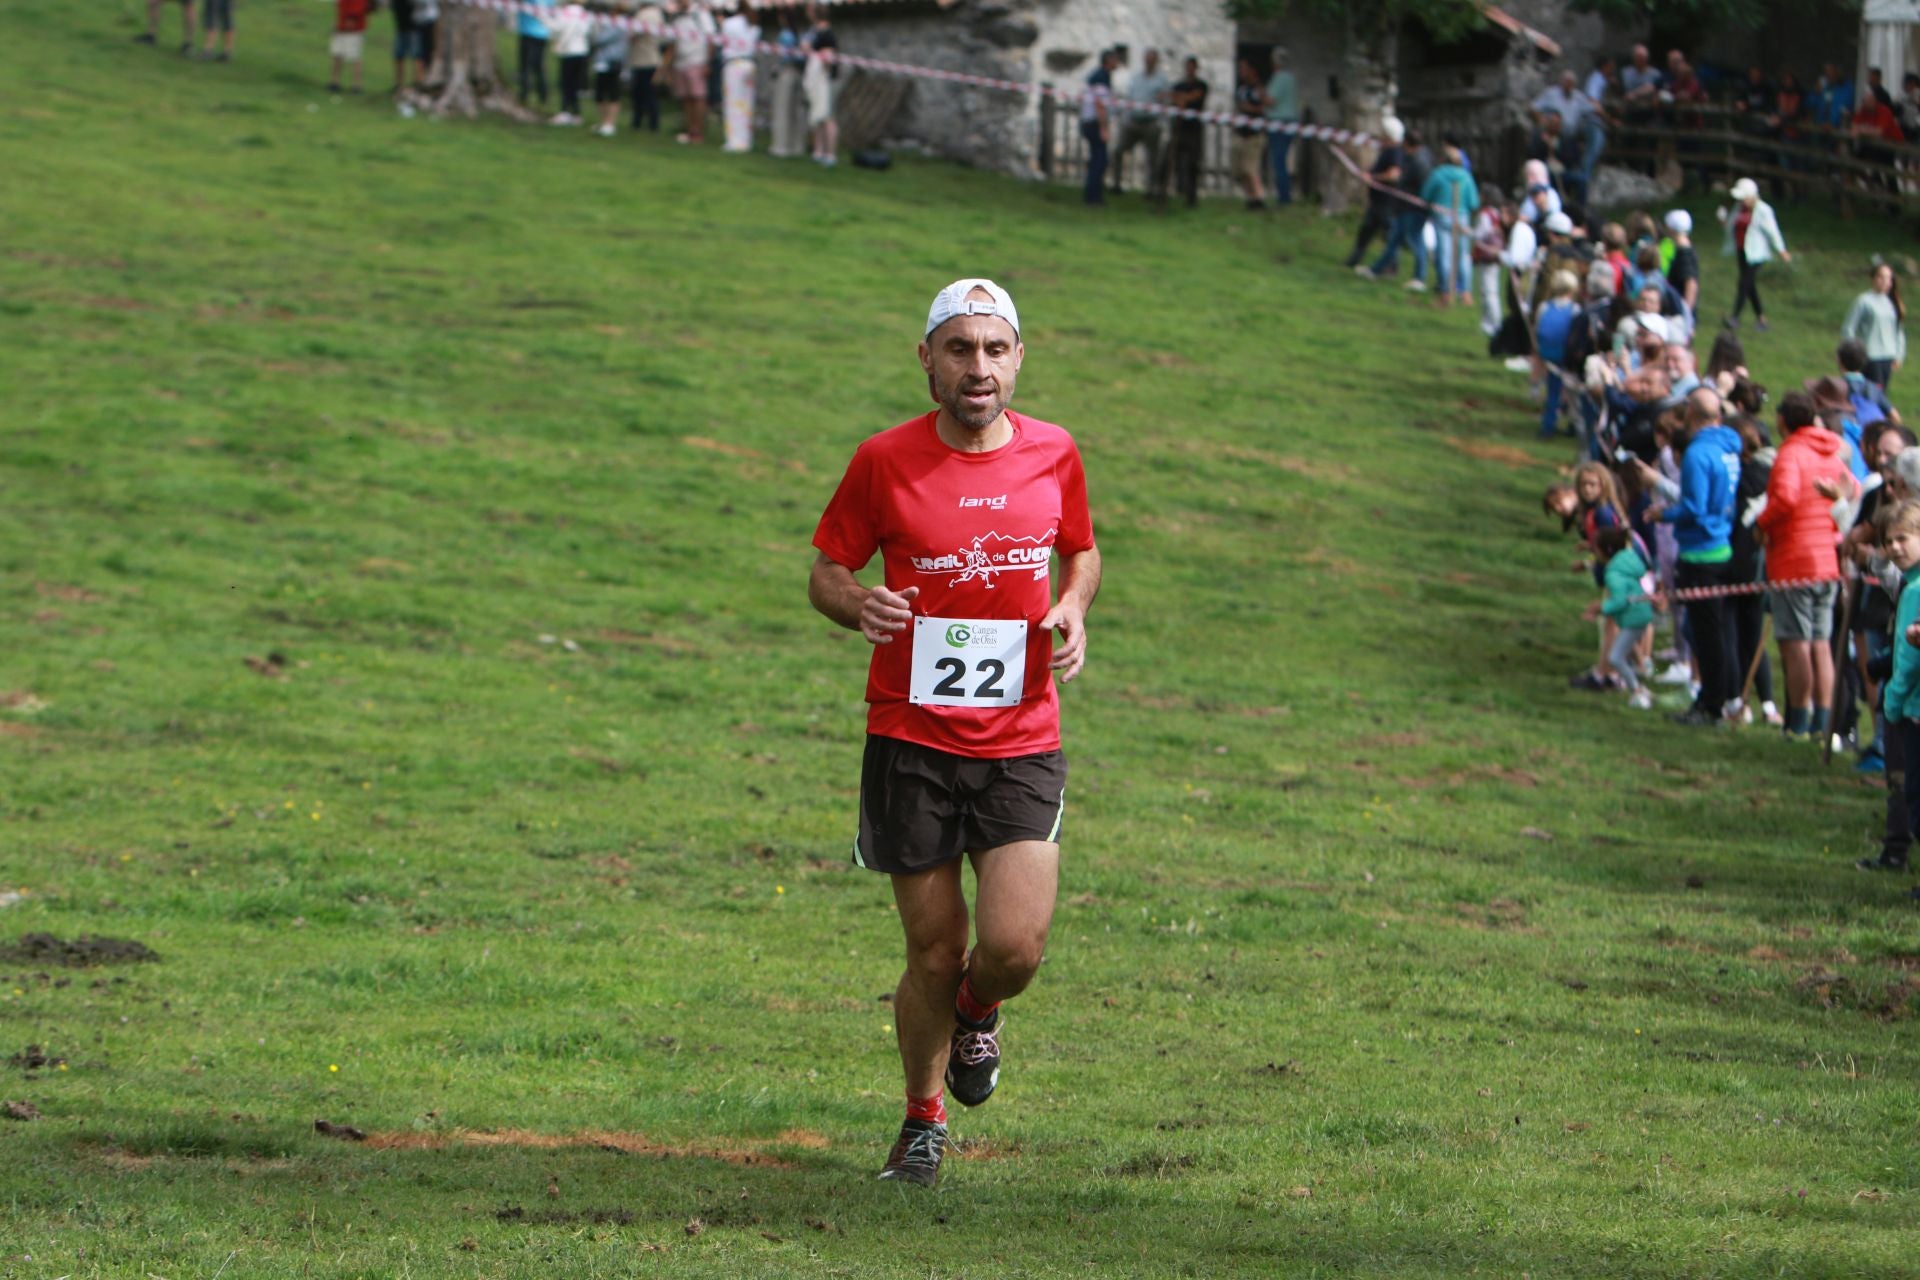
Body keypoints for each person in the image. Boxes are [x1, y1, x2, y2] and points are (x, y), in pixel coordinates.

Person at [807, 279, 1101, 1187]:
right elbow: (825, 569)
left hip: (1020, 735)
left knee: (1012, 948)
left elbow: (1081, 550)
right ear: (928, 359)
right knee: (931, 950)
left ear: (1019, 358)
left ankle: (979, 1010)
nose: (979, 367)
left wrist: (1074, 607)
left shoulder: (1055, 453)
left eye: (995, 348)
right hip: (912, 739)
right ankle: (923, 1122)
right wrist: (860, 604)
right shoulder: (883, 460)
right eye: (961, 348)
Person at [1758, 390, 1857, 742]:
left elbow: (1785, 496)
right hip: (1826, 560)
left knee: (1796, 642)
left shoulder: (1791, 453)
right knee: (1820, 642)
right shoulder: (1829, 450)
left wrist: (1762, 523)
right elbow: (1852, 488)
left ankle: (1799, 722)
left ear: (1782, 419)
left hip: (1794, 559)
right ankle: (1823, 722)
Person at [1652, 388, 1743, 726]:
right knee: (1711, 632)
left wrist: (1663, 515)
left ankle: (1711, 704)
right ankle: (1715, 699)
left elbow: (1694, 506)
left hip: (1700, 551)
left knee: (1706, 634)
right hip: (1722, 545)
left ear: (1691, 414)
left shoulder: (1697, 453)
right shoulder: (1728, 449)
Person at [1587, 525, 1658, 709]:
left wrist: (1601, 608)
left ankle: (1637, 690)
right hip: (1642, 613)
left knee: (1616, 658)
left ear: (1605, 551)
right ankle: (1643, 669)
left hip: (1633, 617)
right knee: (1626, 647)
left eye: (1596, 548)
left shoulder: (1613, 573)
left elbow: (1619, 601)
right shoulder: (1629, 561)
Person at [1719, 177, 1788, 332]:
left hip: (1756, 254)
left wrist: (1781, 250)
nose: (1742, 201)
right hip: (1742, 250)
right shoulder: (1738, 208)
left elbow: (1773, 231)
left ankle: (1734, 317)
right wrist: (1723, 221)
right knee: (1749, 286)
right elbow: (1731, 225)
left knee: (1744, 283)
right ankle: (1762, 319)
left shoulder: (1764, 211)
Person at [1362, 125, 1428, 287]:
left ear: (1406, 143)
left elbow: (1418, 186)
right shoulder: (1412, 158)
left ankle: (1419, 278)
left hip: (1412, 209)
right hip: (1403, 208)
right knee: (1394, 240)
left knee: (1415, 241)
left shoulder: (1418, 162)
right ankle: (1376, 270)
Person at [1422, 141, 1479, 309]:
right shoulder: (1466, 177)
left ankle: (1446, 290)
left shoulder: (1438, 174)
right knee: (1463, 256)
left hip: (1441, 217)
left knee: (1444, 255)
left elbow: (1426, 195)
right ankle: (1466, 292)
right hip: (1461, 219)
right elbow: (1474, 202)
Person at [1345, 117, 1405, 271]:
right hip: (1378, 201)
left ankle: (1391, 265)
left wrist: (1373, 178)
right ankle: (1354, 259)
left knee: (1389, 233)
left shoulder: (1395, 152)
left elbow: (1394, 174)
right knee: (1367, 230)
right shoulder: (1387, 150)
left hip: (1386, 202)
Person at [1111, 49, 1169, 199]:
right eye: (1146, 59)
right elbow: (1130, 97)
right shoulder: (1136, 78)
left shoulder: (1162, 80)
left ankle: (1151, 190)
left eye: (1151, 60)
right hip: (1134, 122)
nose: (1148, 62)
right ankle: (1116, 184)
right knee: (1118, 151)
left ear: (1155, 61)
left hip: (1151, 123)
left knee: (1153, 158)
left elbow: (1166, 100)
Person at [1843, 262, 1908, 390]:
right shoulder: (1864, 301)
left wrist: (1899, 354)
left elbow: (1898, 331)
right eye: (1881, 277)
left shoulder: (1892, 303)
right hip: (1871, 356)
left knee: (1882, 394)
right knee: (1873, 393)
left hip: (1888, 356)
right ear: (1873, 279)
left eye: (1888, 278)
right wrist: (1853, 352)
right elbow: (1848, 328)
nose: (1885, 281)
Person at [663, 0, 718, 144]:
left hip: (697, 61)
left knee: (698, 97)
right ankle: (689, 130)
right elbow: (673, 42)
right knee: (686, 98)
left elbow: (711, 39)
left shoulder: (701, 15)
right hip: (681, 62)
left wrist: (708, 63)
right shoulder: (678, 17)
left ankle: (698, 132)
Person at [1167, 58, 1208, 210]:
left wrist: (1183, 98)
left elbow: (1195, 97)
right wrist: (1181, 98)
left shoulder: (1201, 85)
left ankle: (1192, 197)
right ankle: (1176, 188)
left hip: (1194, 130)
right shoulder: (1179, 85)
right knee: (1173, 159)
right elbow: (1172, 98)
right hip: (1179, 128)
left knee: (1193, 163)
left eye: (1192, 67)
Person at [1081, 49, 1120, 207]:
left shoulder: (1099, 75)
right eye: (1115, 59)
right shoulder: (1101, 77)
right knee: (1100, 160)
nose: (1117, 62)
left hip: (1089, 122)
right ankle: (1093, 197)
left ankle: (1093, 195)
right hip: (1094, 124)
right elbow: (1100, 105)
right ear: (1108, 61)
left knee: (1097, 159)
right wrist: (1104, 128)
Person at [719, 2, 759, 153]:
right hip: (749, 64)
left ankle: (734, 141)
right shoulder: (754, 24)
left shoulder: (729, 23)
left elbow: (725, 42)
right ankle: (745, 140)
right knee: (747, 104)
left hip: (734, 64)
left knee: (733, 104)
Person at [802, 3, 838, 165]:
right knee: (817, 116)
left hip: (823, 79)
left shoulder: (827, 33)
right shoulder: (814, 31)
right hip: (814, 79)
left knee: (827, 116)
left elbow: (829, 57)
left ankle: (830, 154)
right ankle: (818, 150)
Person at [1229, 58, 1267, 211]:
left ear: (1252, 70)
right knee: (1240, 169)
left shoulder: (1258, 88)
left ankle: (1259, 198)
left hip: (1253, 135)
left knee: (1251, 169)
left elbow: (1264, 108)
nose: (1241, 72)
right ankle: (1249, 197)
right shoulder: (1241, 89)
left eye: (1244, 68)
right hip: (1240, 133)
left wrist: (1249, 109)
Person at [767, 9, 806, 156]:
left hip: (786, 72)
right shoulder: (799, 35)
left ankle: (780, 146)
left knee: (782, 110)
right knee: (795, 112)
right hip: (798, 73)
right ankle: (796, 146)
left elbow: (783, 55)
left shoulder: (784, 35)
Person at [588, 4, 629, 137]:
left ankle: (610, 123)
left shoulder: (619, 24)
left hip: (614, 62)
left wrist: (596, 28)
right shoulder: (607, 24)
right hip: (601, 62)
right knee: (600, 93)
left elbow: (599, 39)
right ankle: (604, 122)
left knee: (613, 93)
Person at [549, 0, 592, 126]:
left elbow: (557, 27)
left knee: (566, 83)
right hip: (582, 51)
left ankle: (564, 111)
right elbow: (588, 31)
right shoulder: (585, 14)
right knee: (574, 84)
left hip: (568, 51)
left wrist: (544, 19)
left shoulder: (565, 12)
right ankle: (576, 113)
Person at [1264, 47, 1298, 205]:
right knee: (1283, 160)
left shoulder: (1279, 78)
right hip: (1290, 121)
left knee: (1279, 160)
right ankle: (1284, 193)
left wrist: (1260, 95)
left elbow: (1271, 100)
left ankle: (1283, 197)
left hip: (1279, 123)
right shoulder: (1291, 78)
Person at [629, 2, 665, 133]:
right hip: (654, 57)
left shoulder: (642, 14)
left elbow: (633, 33)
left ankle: (638, 121)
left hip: (642, 58)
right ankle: (653, 122)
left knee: (640, 93)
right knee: (651, 93)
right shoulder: (659, 14)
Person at [516, 0, 554, 109]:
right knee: (539, 67)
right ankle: (543, 94)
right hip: (542, 34)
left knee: (526, 66)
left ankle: (525, 94)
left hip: (528, 33)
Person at [328, 0, 371, 94]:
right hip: (342, 25)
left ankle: (357, 84)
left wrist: (351, 20)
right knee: (337, 53)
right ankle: (335, 82)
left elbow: (359, 6)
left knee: (354, 56)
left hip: (353, 28)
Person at [390, 0, 419, 91]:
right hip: (401, 28)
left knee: (417, 56)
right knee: (399, 56)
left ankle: (417, 85)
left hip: (413, 29)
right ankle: (399, 85)